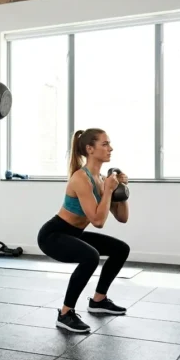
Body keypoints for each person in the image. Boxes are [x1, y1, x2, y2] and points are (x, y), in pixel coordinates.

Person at [36, 128, 131, 333]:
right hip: (53, 235)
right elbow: (97, 220)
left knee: (121, 249)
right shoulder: (81, 179)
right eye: (104, 144)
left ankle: (99, 301)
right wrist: (108, 191)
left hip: (74, 233)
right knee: (90, 256)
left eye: (109, 143)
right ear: (89, 149)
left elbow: (122, 218)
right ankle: (65, 314)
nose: (110, 148)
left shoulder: (101, 179)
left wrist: (121, 191)